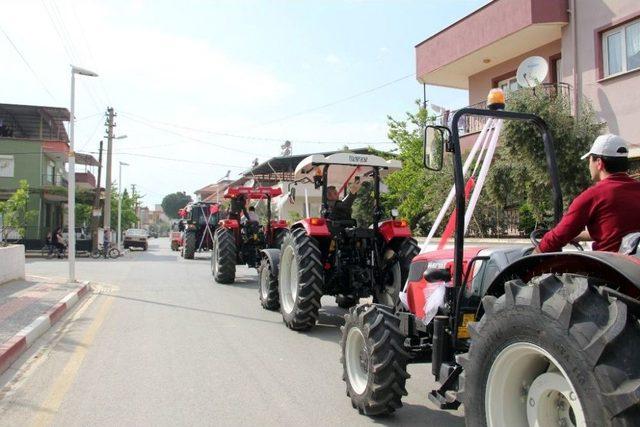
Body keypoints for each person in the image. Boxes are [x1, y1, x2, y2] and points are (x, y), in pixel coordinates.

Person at [536, 134, 640, 253]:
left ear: (599, 163)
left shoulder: (594, 196)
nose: (589, 165)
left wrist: (531, 257)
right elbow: (617, 231)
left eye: (589, 159)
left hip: (609, 268)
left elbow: (557, 236)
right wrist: (579, 235)